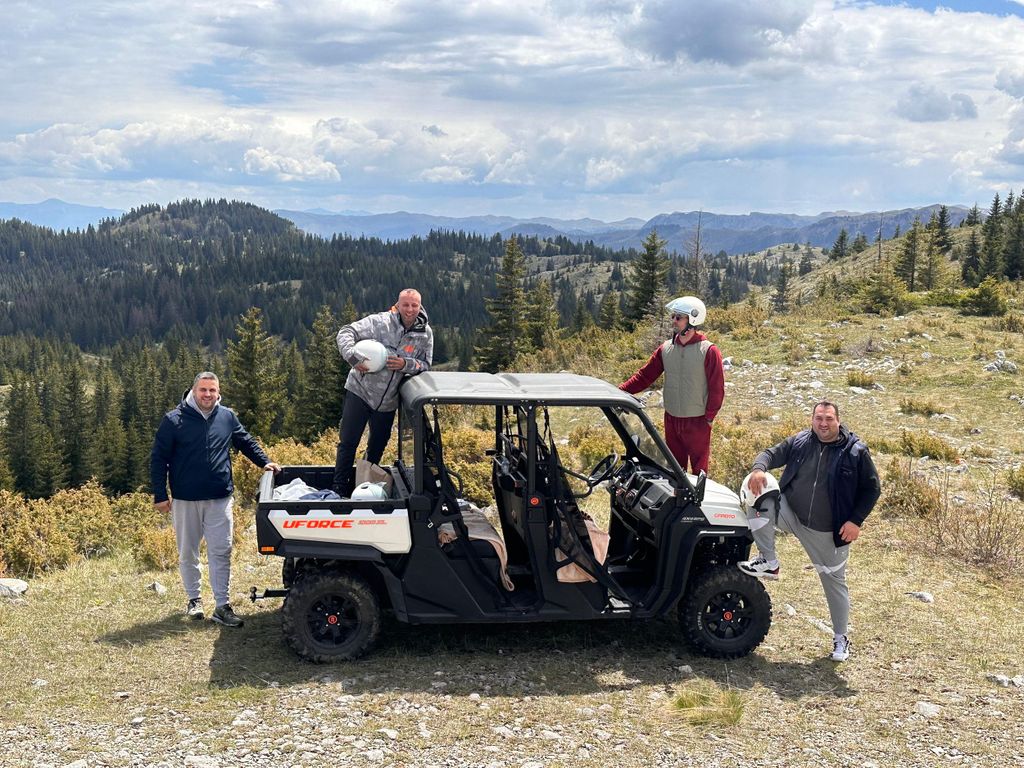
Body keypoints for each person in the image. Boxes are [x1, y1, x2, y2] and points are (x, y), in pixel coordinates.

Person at [738, 400, 881, 662]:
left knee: (834, 584)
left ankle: (840, 638)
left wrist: (855, 521)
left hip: (828, 531)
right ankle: (768, 561)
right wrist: (758, 470)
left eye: (828, 419)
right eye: (818, 419)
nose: (823, 424)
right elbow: (770, 453)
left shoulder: (855, 451)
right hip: (792, 516)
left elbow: (872, 489)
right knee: (756, 491)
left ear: (838, 420)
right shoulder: (801, 441)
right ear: (812, 420)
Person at [150, 372, 280, 628]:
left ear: (218, 392)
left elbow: (245, 441)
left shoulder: (227, 416)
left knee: (221, 551)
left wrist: (265, 462)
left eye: (212, 390)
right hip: (186, 500)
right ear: (193, 391)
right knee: (188, 552)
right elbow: (158, 459)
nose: (208, 395)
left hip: (220, 498)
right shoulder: (173, 420)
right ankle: (194, 601)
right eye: (203, 390)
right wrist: (160, 494)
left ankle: (222, 606)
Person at [332, 289, 433, 496]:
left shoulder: (425, 334)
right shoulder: (380, 322)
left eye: (414, 305)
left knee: (376, 447)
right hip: (360, 391)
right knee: (348, 443)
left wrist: (406, 364)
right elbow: (346, 332)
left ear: (420, 306)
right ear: (398, 304)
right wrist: (352, 358)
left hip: (388, 401)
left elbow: (426, 364)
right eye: (405, 305)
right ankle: (339, 490)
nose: (410, 309)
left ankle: (362, 490)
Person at [619, 296, 724, 474]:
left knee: (700, 471)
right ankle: (678, 501)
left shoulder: (709, 350)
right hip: (671, 419)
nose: (673, 321)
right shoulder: (665, 349)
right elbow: (645, 376)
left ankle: (699, 502)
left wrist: (709, 417)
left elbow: (717, 388)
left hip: (697, 420)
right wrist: (619, 392)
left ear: (693, 319)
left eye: (678, 317)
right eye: (673, 316)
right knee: (674, 470)